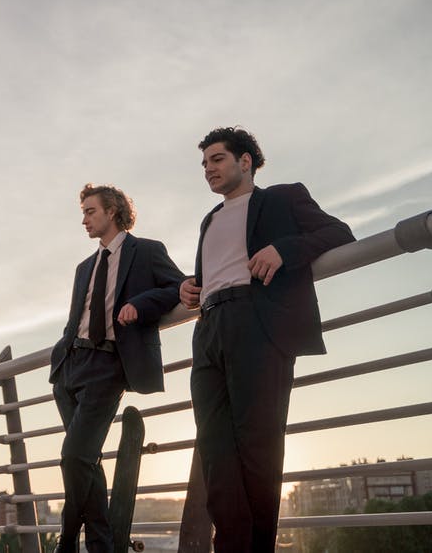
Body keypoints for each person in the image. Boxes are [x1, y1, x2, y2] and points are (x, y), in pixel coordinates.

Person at [179, 127, 353, 552]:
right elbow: (214, 271)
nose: (208, 170)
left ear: (245, 161)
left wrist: (284, 249)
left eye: (217, 159)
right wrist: (190, 286)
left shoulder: (283, 197)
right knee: (215, 451)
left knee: (258, 449)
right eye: (204, 164)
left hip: (257, 324)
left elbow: (339, 233)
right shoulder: (210, 219)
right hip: (209, 328)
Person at [49, 184, 184, 553]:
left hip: (108, 365)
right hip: (69, 368)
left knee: (74, 456)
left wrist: (140, 303)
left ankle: (66, 540)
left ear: (112, 211)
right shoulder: (84, 267)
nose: (84, 219)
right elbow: (76, 318)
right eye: (83, 213)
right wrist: (60, 363)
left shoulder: (147, 251)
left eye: (90, 211)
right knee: (86, 460)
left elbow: (180, 287)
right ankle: (102, 544)